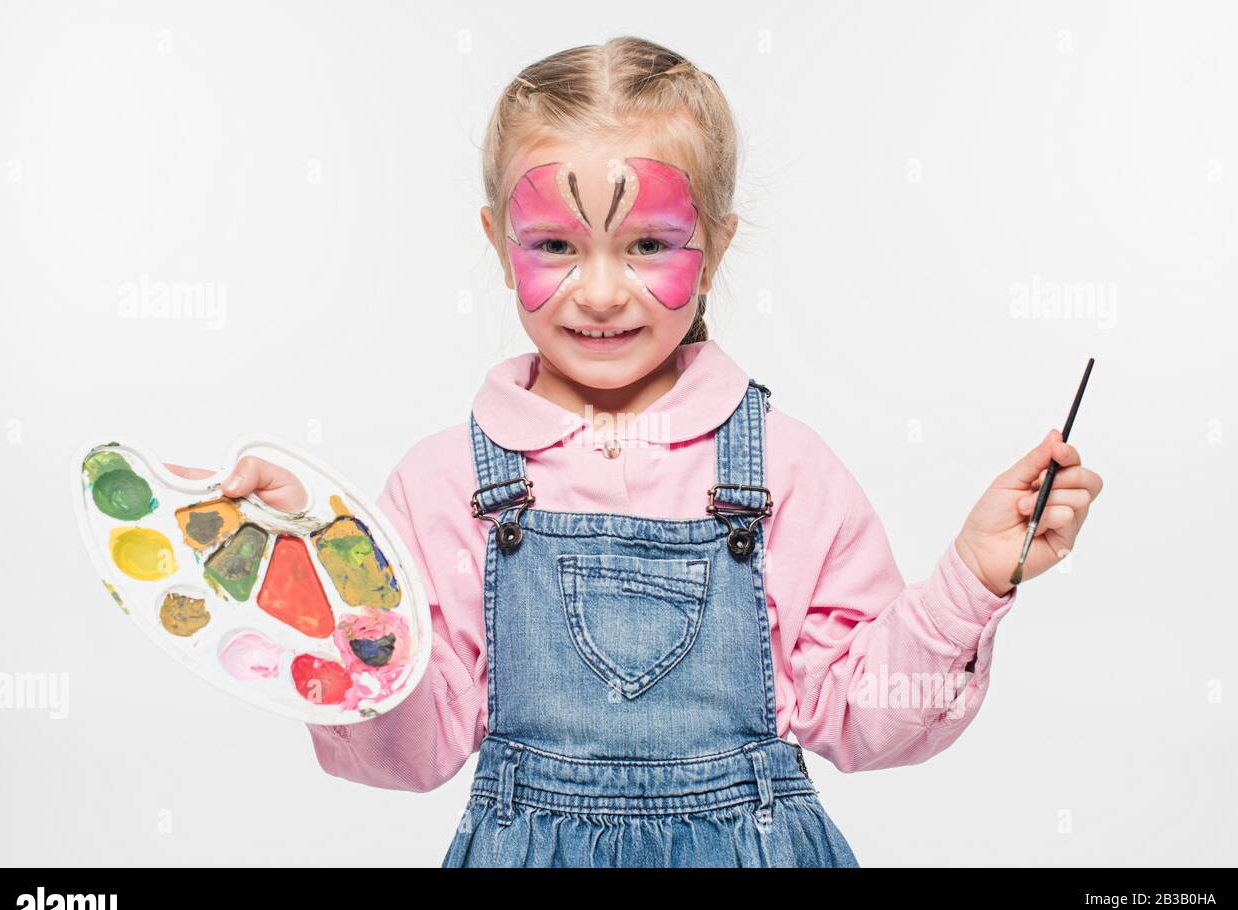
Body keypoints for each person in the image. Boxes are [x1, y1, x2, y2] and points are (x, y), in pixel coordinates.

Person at [171, 37, 1102, 867]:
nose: (602, 292)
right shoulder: (444, 483)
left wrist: (970, 580)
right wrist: (328, 577)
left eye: (649, 243)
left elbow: (872, 721)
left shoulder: (784, 470)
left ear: (718, 246)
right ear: (499, 245)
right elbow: (408, 754)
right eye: (556, 245)